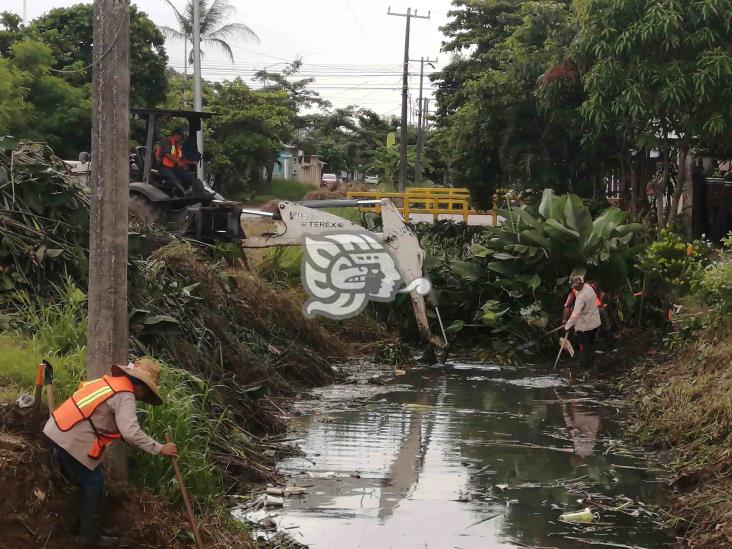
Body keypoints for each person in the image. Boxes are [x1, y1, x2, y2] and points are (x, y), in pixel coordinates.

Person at [43, 358, 177, 547]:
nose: (142, 398)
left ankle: (87, 527)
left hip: (57, 428)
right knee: (93, 483)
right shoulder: (126, 395)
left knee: (87, 482)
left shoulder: (110, 383)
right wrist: (160, 448)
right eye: (146, 392)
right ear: (142, 387)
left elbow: (107, 419)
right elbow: (131, 434)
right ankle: (89, 538)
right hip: (67, 437)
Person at [156, 127, 212, 198]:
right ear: (176, 134)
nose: (182, 139)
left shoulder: (177, 146)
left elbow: (182, 158)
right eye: (182, 137)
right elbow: (167, 154)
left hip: (173, 167)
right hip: (163, 167)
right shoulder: (166, 141)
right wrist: (179, 163)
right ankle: (184, 192)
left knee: (190, 175)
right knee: (171, 176)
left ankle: (203, 193)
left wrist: (191, 162)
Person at [562, 279, 616, 346]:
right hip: (599, 310)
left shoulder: (573, 293)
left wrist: (565, 320)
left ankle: (585, 344)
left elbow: (567, 307)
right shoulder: (591, 287)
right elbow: (602, 294)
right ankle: (609, 341)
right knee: (604, 328)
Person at [564, 276, 602, 368]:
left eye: (577, 286)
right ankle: (590, 362)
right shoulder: (589, 287)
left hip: (586, 326)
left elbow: (575, 315)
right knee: (591, 343)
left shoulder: (581, 297)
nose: (575, 288)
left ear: (582, 284)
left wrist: (567, 326)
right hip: (595, 322)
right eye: (574, 286)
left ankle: (584, 365)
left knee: (585, 345)